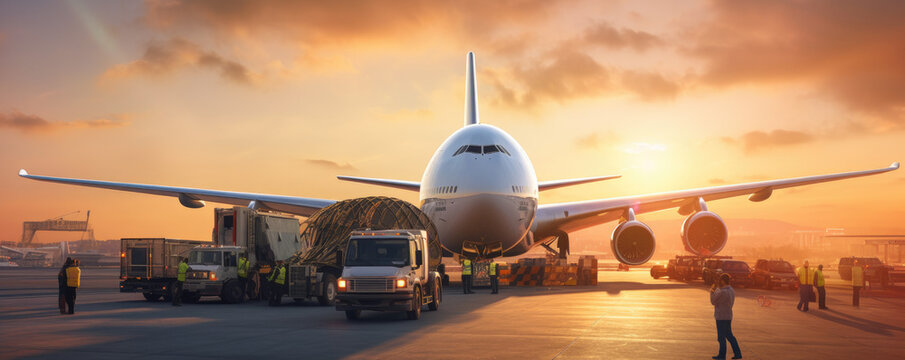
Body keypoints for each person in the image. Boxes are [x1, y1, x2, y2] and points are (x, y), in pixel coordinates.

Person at [710, 273, 742, 360]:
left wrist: (712, 290)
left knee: (721, 337)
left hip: (721, 316)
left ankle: (722, 355)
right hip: (728, 316)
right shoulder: (731, 290)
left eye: (720, 280)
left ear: (723, 281)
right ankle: (737, 353)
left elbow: (713, 301)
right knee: (729, 335)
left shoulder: (722, 291)